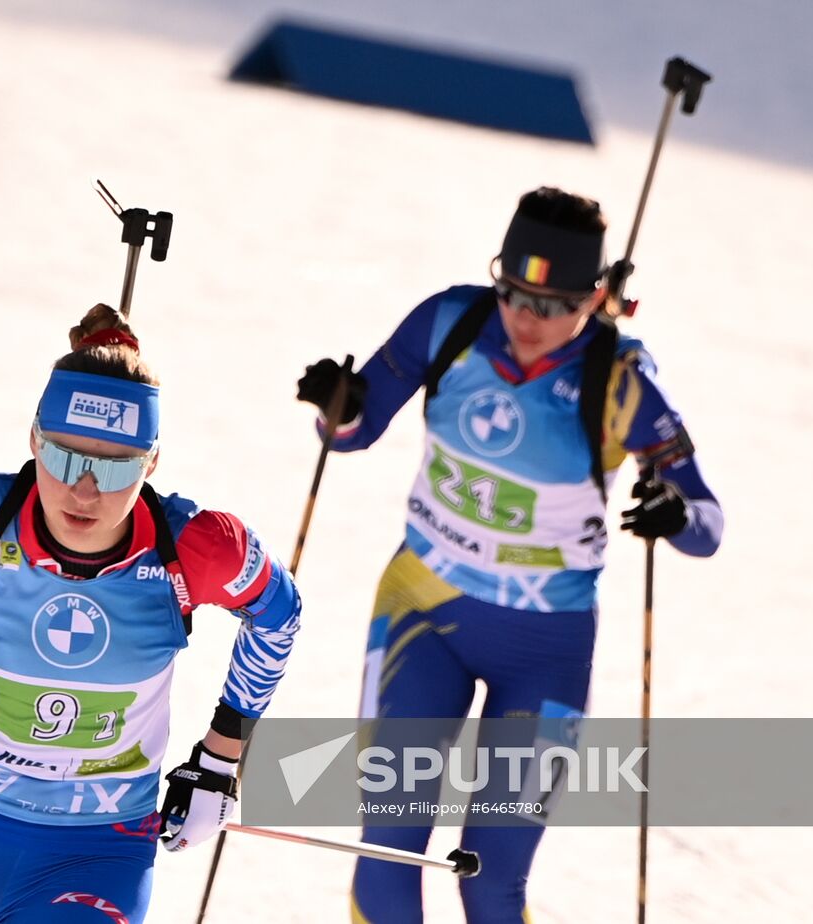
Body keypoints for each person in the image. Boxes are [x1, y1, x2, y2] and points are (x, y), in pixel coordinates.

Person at [295, 187, 722, 924]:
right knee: (389, 856)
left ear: (594, 299)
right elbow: (352, 432)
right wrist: (338, 404)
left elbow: (708, 525)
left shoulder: (620, 383)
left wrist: (673, 513)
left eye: (555, 305)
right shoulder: (449, 323)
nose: (528, 319)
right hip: (421, 614)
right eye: (516, 293)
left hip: (546, 649)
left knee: (490, 882)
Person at [0, 304, 302, 924]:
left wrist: (220, 759)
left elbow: (277, 613)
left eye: (116, 465)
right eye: (66, 457)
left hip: (97, 850)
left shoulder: (198, 547)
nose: (85, 490)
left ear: (151, 462)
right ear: (34, 440)